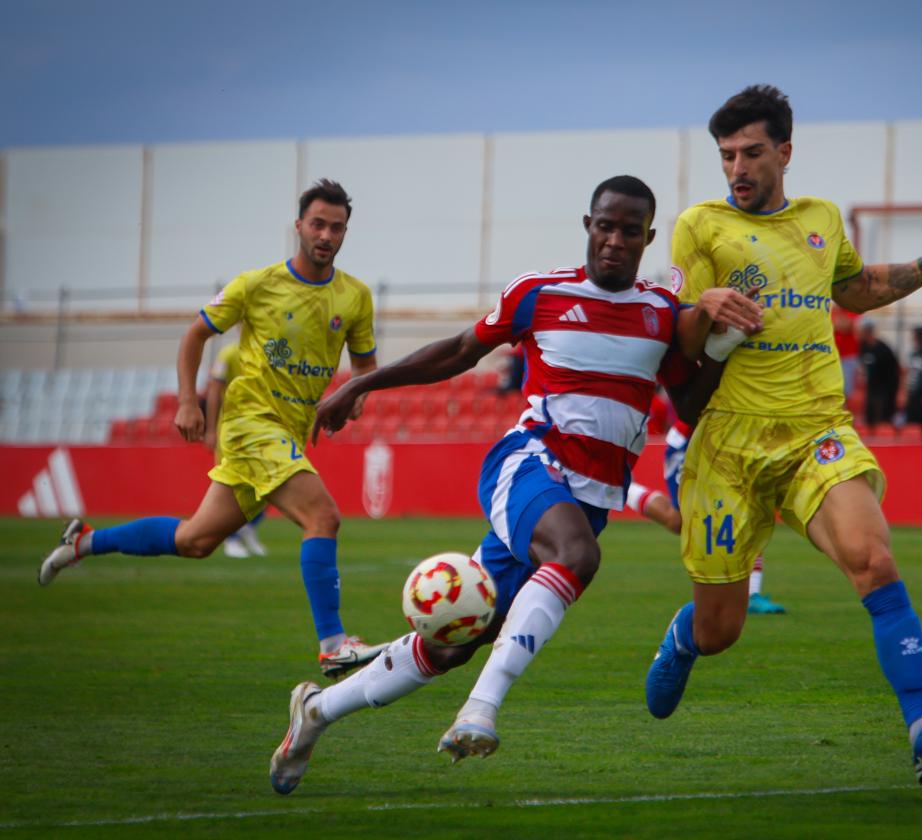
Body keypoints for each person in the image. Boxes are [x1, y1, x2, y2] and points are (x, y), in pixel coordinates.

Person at [267, 176, 762, 794]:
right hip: (528, 462)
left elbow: (687, 405)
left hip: (589, 495)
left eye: (629, 231)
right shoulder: (538, 293)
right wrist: (359, 384)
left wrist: (724, 344)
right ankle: (480, 711)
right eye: (605, 226)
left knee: (453, 640)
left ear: (648, 238)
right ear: (588, 225)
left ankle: (316, 712)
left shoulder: (660, 314)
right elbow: (457, 351)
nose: (614, 240)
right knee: (578, 555)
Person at [644, 84, 922, 787]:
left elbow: (860, 287)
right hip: (729, 444)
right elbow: (675, 338)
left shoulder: (822, 219)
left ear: (785, 151)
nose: (737, 168)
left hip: (818, 432)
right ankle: (685, 637)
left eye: (750, 153)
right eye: (726, 156)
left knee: (874, 560)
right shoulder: (699, 225)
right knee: (722, 631)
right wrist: (701, 306)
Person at [38, 179, 386, 680]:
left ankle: (85, 542)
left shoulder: (355, 296)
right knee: (323, 517)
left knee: (195, 540)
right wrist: (188, 401)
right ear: (299, 227)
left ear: (345, 232)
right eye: (317, 224)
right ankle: (333, 642)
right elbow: (195, 334)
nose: (326, 234)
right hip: (249, 424)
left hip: (287, 431)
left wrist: (352, 398)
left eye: (336, 227)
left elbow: (365, 367)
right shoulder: (256, 284)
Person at [627, 418, 786, 615]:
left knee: (750, 508)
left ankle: (752, 595)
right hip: (691, 442)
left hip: (732, 440)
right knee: (679, 521)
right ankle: (624, 487)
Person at [205, 337, 269, 558]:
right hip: (233, 433)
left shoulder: (271, 354)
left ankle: (247, 529)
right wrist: (211, 429)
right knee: (234, 489)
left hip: (264, 432)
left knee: (268, 487)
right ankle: (231, 539)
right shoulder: (229, 354)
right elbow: (214, 391)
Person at [857, 318, 900, 430]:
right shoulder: (863, 347)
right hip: (871, 388)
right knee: (870, 419)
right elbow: (863, 364)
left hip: (885, 389)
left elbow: (895, 369)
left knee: (883, 420)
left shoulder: (883, 349)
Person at [832, 304, 860, 399]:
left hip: (848, 357)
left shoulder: (852, 309)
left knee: (845, 390)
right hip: (833, 357)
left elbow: (845, 326)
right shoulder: (832, 311)